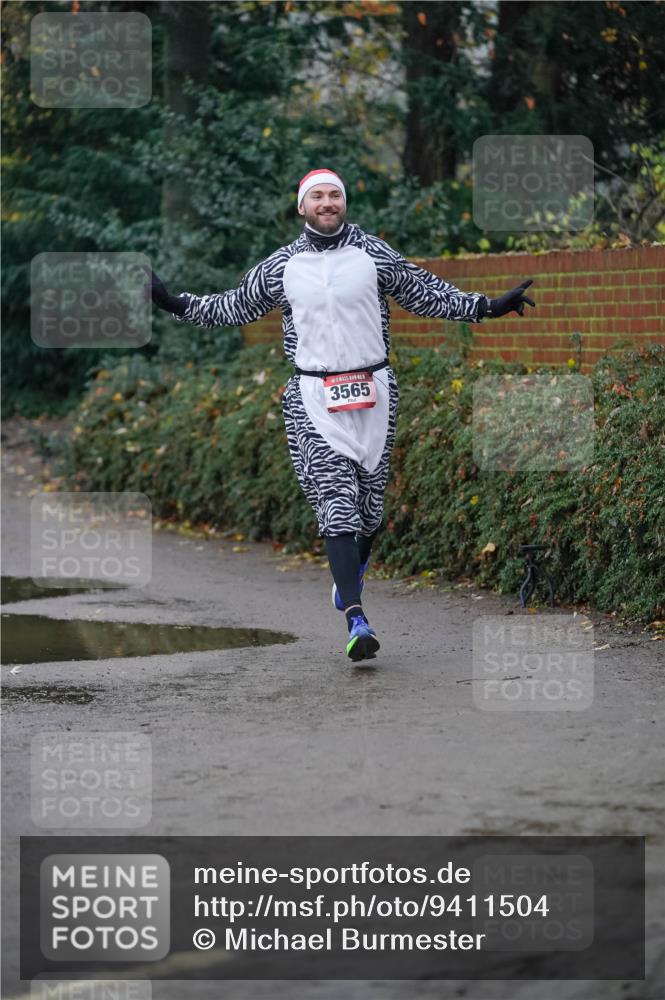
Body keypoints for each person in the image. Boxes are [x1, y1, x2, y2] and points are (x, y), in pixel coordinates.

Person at [147, 168, 535, 663]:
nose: (327, 203)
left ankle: (350, 572)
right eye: (317, 197)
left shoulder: (374, 254)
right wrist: (171, 302)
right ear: (301, 207)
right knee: (337, 503)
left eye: (334, 195)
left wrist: (488, 306)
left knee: (371, 509)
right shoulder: (281, 266)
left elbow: (425, 291)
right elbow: (232, 306)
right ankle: (356, 618)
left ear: (343, 203)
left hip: (374, 390)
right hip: (312, 395)